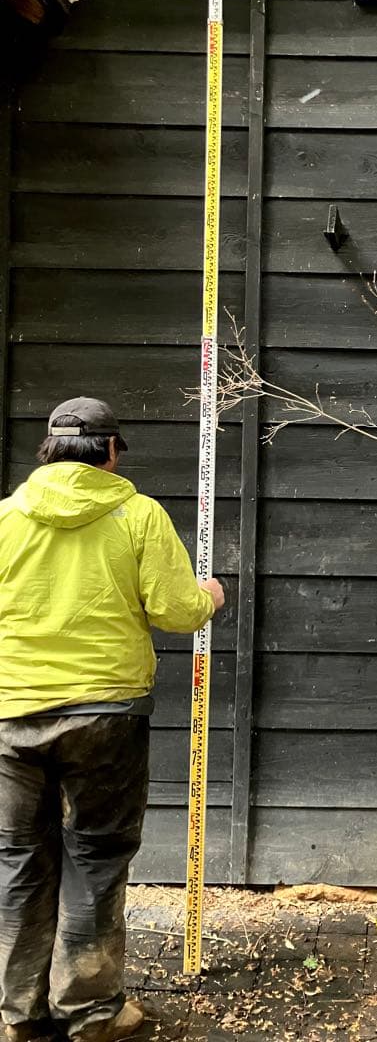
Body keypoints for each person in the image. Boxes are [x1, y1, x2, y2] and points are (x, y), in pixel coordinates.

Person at [0, 397, 225, 1042]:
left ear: (48, 451)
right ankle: (91, 1012)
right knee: (95, 856)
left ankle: (19, 1013)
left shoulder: (7, 517)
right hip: (106, 715)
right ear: (110, 451)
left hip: (13, 714)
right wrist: (208, 596)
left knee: (19, 858)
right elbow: (176, 611)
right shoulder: (139, 515)